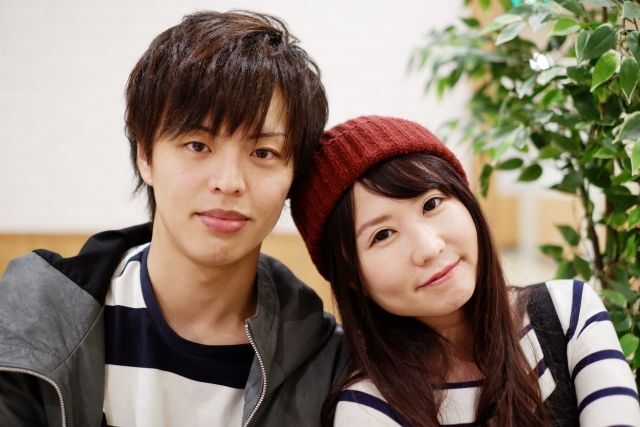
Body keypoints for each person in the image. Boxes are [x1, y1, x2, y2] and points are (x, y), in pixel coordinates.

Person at [0, 11, 347, 427]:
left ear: (294, 175)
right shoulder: (37, 321)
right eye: (197, 145)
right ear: (145, 155)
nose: (229, 182)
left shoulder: (322, 361)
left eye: (263, 153)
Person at [291, 115, 640, 426]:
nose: (429, 248)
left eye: (431, 203)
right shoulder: (367, 409)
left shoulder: (568, 314)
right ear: (351, 277)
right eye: (382, 235)